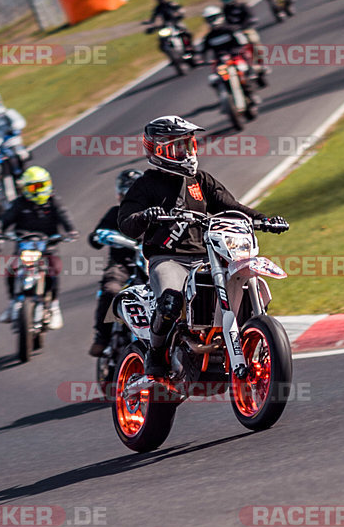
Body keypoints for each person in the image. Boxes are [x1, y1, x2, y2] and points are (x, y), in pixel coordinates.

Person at [117, 116, 288, 377]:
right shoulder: (145, 185)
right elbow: (126, 223)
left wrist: (264, 220)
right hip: (169, 259)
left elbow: (233, 208)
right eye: (178, 147)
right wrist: (145, 216)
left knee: (241, 281)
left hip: (209, 257)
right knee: (170, 300)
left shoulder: (201, 181)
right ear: (159, 149)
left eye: (188, 145)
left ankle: (248, 338)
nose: (185, 153)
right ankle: (155, 353)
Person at [0, 166, 77, 328]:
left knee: (53, 270)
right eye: (33, 187)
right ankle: (13, 302)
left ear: (48, 184)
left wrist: (71, 231)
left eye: (40, 185)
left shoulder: (54, 201)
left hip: (48, 245)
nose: (37, 190)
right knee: (11, 269)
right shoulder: (19, 204)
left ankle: (54, 307)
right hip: (24, 245)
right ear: (25, 189)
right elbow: (4, 219)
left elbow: (64, 216)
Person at [87, 168, 144, 356]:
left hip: (151, 264)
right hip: (122, 265)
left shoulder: (156, 213)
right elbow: (95, 238)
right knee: (111, 289)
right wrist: (101, 236)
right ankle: (102, 337)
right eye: (126, 192)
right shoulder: (115, 213)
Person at [218, 0, 267, 76]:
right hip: (232, 33)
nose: (227, 0)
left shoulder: (242, 6)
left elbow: (251, 17)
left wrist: (245, 25)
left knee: (253, 40)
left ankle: (261, 62)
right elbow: (223, 23)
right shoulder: (224, 10)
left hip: (245, 29)